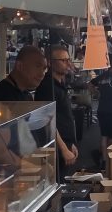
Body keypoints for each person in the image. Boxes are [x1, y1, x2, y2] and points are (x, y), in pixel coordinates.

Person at [34, 47, 79, 180]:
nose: (68, 64)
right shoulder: (48, 87)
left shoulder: (59, 84)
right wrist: (64, 148)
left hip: (64, 142)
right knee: (54, 182)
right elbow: (47, 119)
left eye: (68, 60)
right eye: (63, 60)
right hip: (54, 147)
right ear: (50, 62)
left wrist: (70, 143)